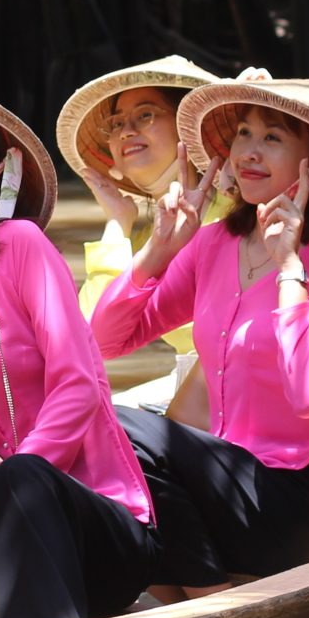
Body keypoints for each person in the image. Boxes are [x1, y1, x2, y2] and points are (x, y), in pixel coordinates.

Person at [94, 79, 309, 590]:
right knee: (95, 425)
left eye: (272, 139)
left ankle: (204, 595)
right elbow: (104, 342)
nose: (248, 153)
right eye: (244, 134)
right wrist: (160, 249)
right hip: (224, 488)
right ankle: (194, 586)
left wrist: (290, 269)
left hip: (299, 505)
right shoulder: (213, 244)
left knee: (123, 425)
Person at [0, 84, 157, 618]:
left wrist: (6, 488)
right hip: (6, 532)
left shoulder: (20, 246)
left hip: (100, 527)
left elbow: (79, 386)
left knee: (22, 476)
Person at [54, 56, 231, 421]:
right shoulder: (153, 235)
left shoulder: (244, 201)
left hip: (251, 399)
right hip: (196, 397)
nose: (125, 131)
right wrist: (119, 221)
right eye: (117, 123)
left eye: (146, 115)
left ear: (188, 126)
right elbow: (90, 340)